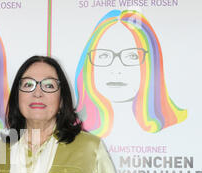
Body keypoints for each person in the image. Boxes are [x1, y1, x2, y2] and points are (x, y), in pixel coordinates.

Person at [74, 10, 186, 138]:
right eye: (104, 55)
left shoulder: (178, 130)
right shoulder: (71, 128)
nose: (116, 70)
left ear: (151, 63)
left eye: (132, 56)